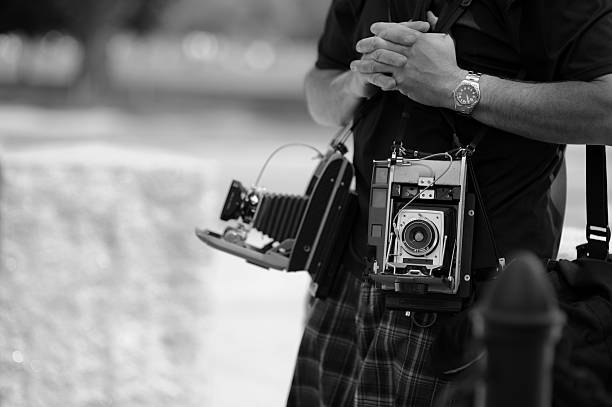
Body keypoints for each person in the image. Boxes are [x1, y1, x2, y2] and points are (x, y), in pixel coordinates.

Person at [287, 0, 612, 406]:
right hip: (348, 280)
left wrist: (458, 87)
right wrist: (359, 79)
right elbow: (319, 92)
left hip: (472, 310)